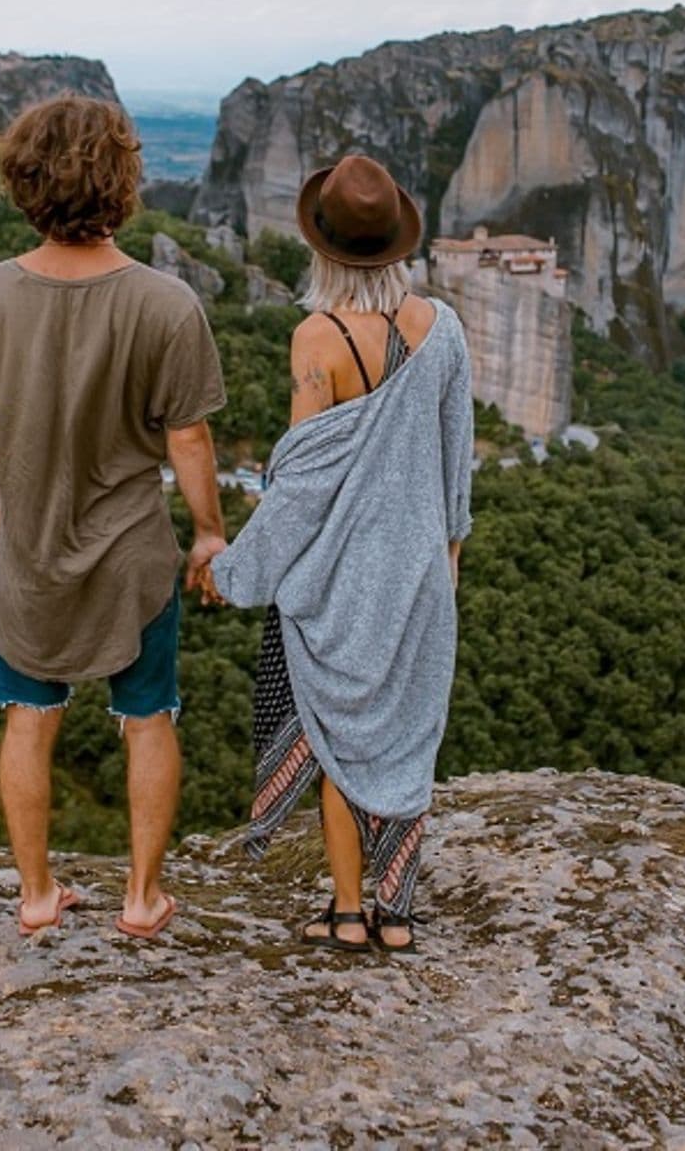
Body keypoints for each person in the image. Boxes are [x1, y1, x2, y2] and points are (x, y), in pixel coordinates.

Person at [0, 95, 228, 942]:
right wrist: (211, 530)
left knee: (28, 719)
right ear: (123, 181)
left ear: (23, 178)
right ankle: (142, 900)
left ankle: (37, 895)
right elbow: (187, 436)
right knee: (148, 720)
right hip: (132, 556)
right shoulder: (166, 303)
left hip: (29, 552)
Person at [207, 154, 475, 954]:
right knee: (405, 735)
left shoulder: (316, 339)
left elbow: (300, 487)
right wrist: (448, 561)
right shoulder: (444, 329)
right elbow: (456, 463)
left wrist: (234, 572)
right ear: (398, 244)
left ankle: (350, 911)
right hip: (422, 572)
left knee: (334, 740)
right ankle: (398, 914)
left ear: (323, 248)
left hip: (339, 579)